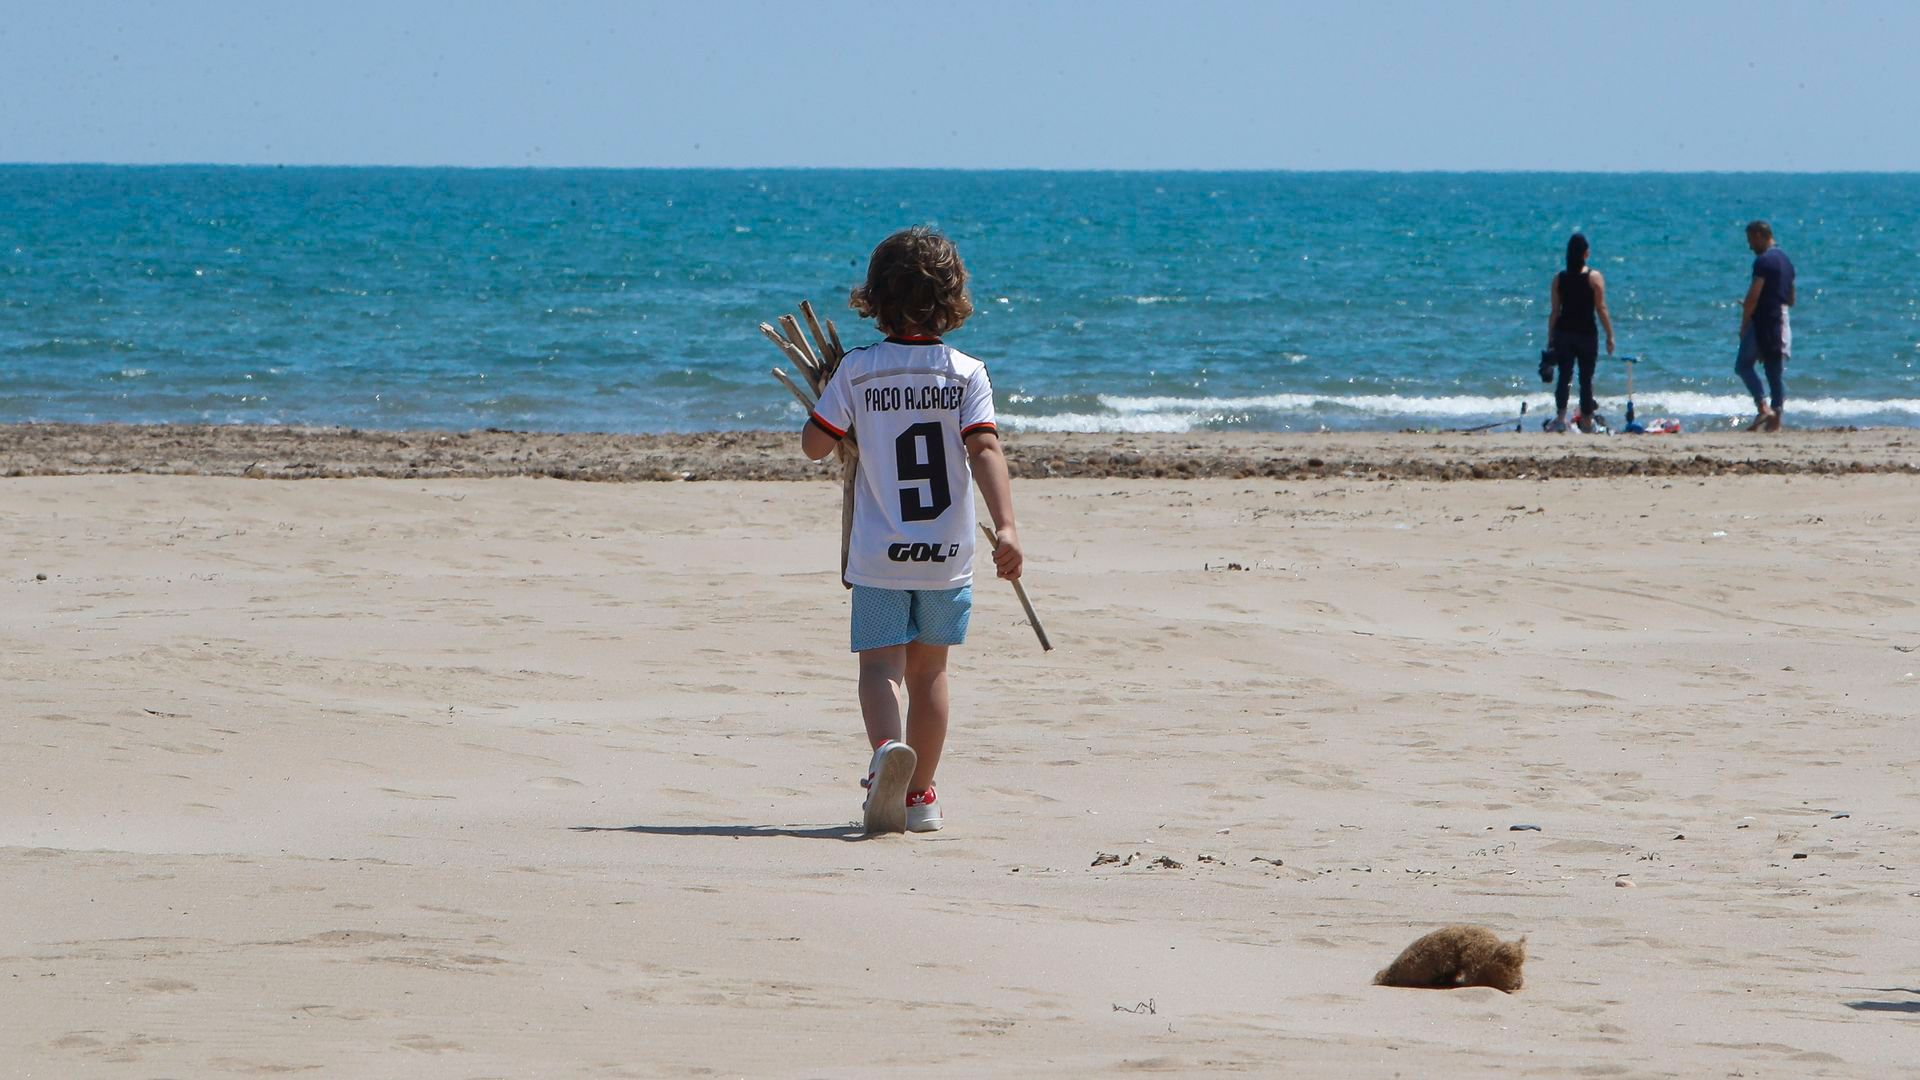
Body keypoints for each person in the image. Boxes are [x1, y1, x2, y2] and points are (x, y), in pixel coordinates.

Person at [800, 226, 1022, 835]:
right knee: (931, 674)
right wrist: (1005, 526)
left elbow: (816, 447)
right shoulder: (965, 373)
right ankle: (921, 794)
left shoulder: (859, 370)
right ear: (952, 299)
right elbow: (985, 451)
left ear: (874, 297)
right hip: (945, 555)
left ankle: (883, 761)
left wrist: (826, 403)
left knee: (880, 670)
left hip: (879, 555)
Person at [1544, 233, 1616, 433]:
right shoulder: (1594, 277)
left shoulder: (1559, 279)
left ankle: (1560, 418)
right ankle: (1586, 421)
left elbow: (1554, 311)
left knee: (1564, 376)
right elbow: (1601, 308)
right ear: (1586, 254)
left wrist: (1550, 337)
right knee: (1586, 378)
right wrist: (1610, 335)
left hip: (1564, 333)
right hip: (1586, 334)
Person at [1737, 220, 1796, 432]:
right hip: (1780, 318)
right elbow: (1791, 298)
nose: (1750, 246)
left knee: (1743, 364)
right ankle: (1775, 420)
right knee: (1774, 370)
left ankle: (1763, 407)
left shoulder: (1764, 261)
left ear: (1760, 236)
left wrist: (1744, 324)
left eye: (1751, 240)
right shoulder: (1786, 261)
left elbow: (1753, 295)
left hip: (1764, 320)